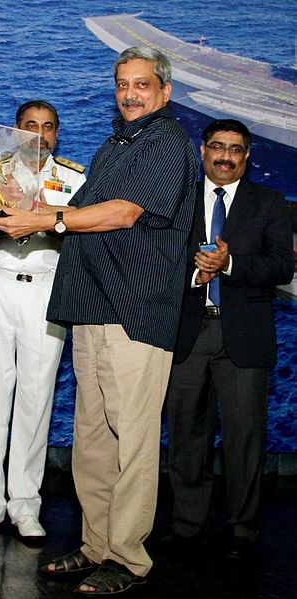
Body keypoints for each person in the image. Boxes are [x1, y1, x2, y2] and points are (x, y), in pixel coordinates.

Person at [0, 48, 198, 595]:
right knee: (94, 438)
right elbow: (74, 209)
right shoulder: (114, 144)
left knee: (132, 441)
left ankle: (127, 558)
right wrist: (20, 200)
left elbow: (124, 212)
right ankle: (96, 545)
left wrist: (46, 217)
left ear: (164, 92)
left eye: (142, 85)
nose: (130, 93)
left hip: (136, 311)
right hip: (93, 306)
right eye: (123, 83)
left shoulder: (168, 142)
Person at [165, 119, 294, 559]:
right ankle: (187, 523)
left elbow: (282, 266)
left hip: (244, 335)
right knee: (186, 434)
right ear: (203, 150)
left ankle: (242, 526)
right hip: (187, 331)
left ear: (247, 155)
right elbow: (158, 259)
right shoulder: (178, 199)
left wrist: (230, 264)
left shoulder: (270, 202)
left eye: (235, 149)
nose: (225, 156)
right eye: (217, 147)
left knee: (244, 437)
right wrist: (195, 272)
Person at [0, 100, 86, 541]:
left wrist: (47, 219)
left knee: (36, 395)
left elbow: (83, 235)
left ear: (57, 133)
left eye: (48, 127)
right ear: (15, 130)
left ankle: (26, 504)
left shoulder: (74, 178)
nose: (40, 134)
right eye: (31, 126)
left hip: (46, 287)